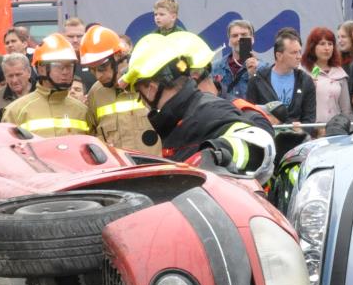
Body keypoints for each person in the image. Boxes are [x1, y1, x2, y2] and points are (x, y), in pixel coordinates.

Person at [121, 32, 274, 177]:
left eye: (139, 92)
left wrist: (212, 157)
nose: (141, 101)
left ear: (151, 89)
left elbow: (259, 143)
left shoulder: (208, 110)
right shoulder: (178, 119)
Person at [3, 34, 90, 137]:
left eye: (69, 66)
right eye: (59, 66)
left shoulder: (82, 111)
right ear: (41, 68)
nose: (66, 71)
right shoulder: (16, 111)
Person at [81, 26, 148, 151]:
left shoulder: (147, 82)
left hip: (153, 168)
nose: (98, 76)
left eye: (102, 68)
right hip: (118, 168)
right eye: (92, 70)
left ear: (118, 56)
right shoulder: (95, 93)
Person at [248, 31, 317, 126]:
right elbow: (250, 114)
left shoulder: (306, 81)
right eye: (294, 53)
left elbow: (309, 118)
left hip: (297, 138)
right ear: (279, 55)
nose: (299, 57)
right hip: (267, 136)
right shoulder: (257, 80)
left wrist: (301, 131)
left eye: (299, 52)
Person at [304, 27, 352, 133]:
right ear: (312, 47)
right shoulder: (305, 71)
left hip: (336, 130)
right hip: (312, 131)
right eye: (322, 44)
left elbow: (346, 109)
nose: (327, 48)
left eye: (330, 44)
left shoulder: (340, 72)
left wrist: (350, 131)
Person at [211, 20, 259, 102]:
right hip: (224, 113)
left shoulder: (264, 68)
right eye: (234, 36)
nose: (239, 38)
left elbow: (265, 100)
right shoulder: (215, 67)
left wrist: (253, 75)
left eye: (244, 35)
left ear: (252, 39)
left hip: (249, 114)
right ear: (229, 41)